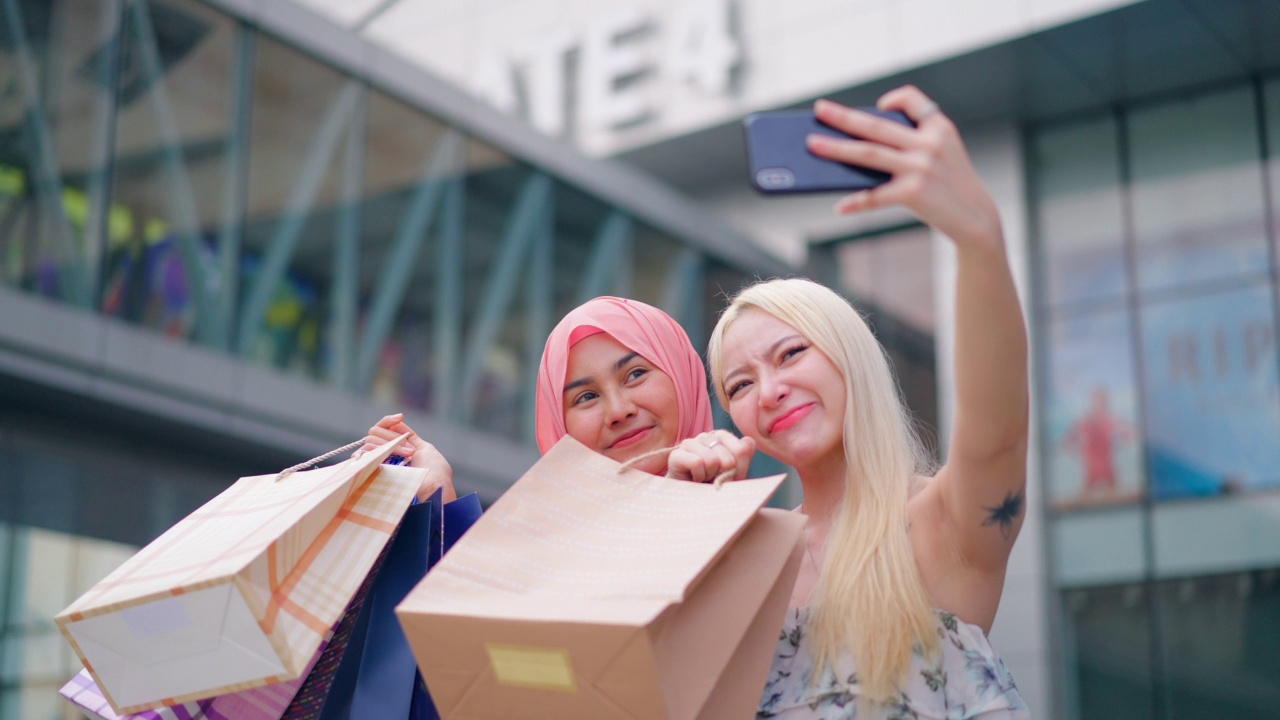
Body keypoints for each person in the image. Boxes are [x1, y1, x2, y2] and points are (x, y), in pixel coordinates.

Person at [702, 87, 1030, 718]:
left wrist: (978, 240)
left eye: (791, 354)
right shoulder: (749, 572)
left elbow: (998, 433)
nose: (768, 392)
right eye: (738, 385)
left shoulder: (941, 527)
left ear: (848, 353)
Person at [361, 295, 752, 497]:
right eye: (585, 398)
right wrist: (436, 496)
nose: (617, 411)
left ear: (682, 374)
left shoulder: (788, 545)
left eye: (635, 374)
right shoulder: (538, 556)